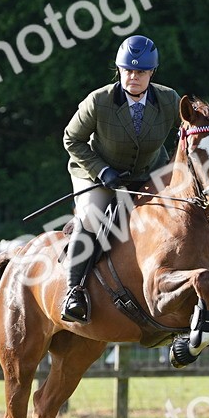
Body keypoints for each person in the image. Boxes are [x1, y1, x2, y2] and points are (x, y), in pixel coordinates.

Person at [59, 35, 181, 323]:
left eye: (140, 71)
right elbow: (71, 139)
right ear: (119, 70)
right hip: (97, 173)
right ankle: (74, 292)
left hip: (148, 172)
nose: (133, 76)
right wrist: (102, 171)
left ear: (152, 73)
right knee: (92, 218)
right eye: (128, 70)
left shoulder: (169, 99)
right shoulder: (98, 101)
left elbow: (187, 131)